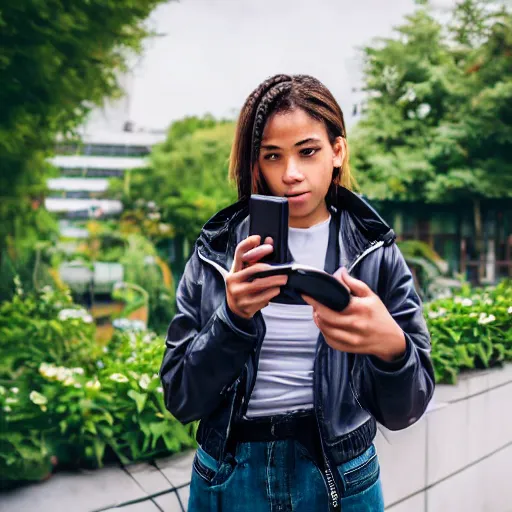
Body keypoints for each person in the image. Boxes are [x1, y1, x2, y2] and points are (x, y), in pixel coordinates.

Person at [160, 74, 435, 512]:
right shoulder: (216, 253)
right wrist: (231, 318)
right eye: (273, 156)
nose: (291, 174)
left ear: (337, 152)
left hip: (342, 473)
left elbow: (407, 408)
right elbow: (180, 397)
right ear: (256, 164)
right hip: (230, 475)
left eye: (308, 152)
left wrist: (392, 347)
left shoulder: (376, 253)